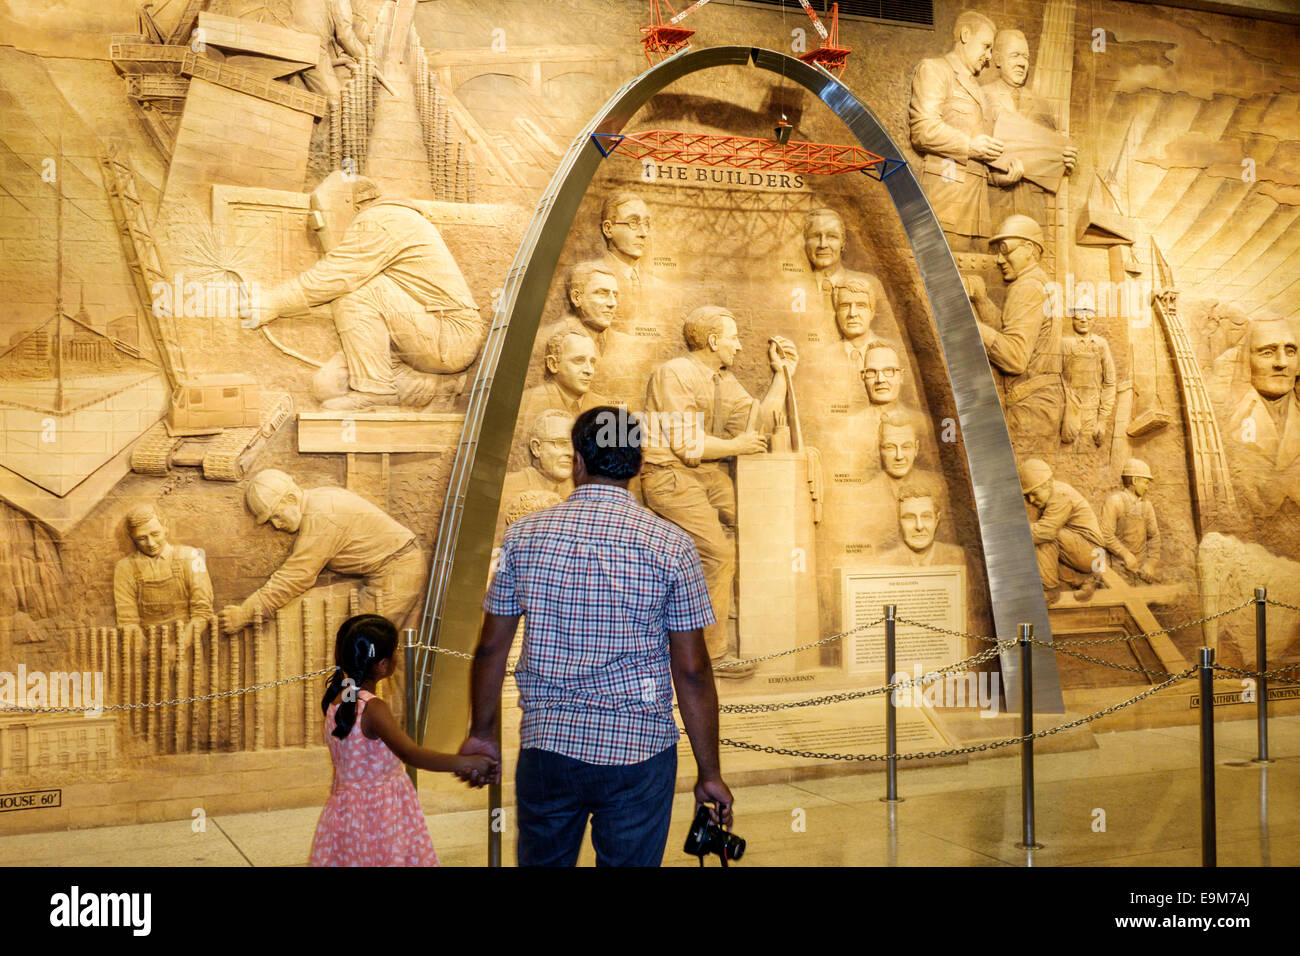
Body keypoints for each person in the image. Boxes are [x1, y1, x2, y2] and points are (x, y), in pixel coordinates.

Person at [461, 406, 735, 867]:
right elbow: (691, 670)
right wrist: (710, 772)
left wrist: (483, 733)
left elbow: (491, 646)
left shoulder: (523, 538)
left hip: (548, 747)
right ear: (639, 465)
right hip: (638, 753)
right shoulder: (672, 546)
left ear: (577, 462)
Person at [641, 306, 797, 674]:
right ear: (713, 341)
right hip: (670, 477)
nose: (739, 347)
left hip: (707, 476)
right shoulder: (674, 374)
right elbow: (688, 447)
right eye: (734, 337)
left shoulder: (722, 380)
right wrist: (737, 446)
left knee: (759, 531)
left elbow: (757, 423)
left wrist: (783, 375)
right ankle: (709, 657)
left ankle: (750, 625)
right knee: (718, 555)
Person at [242, 177, 486, 411]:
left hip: (450, 335)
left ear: (350, 204)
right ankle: (437, 387)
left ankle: (376, 392)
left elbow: (337, 276)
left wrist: (273, 302)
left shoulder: (381, 219)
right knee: (327, 387)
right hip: (423, 335)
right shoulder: (392, 218)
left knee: (354, 292)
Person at [310, 614, 496, 867]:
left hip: (346, 813)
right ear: (383, 665)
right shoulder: (373, 709)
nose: (399, 653)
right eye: (396, 649)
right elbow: (411, 754)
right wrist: (468, 762)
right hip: (381, 815)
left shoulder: (336, 700)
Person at [218, 470, 427, 638]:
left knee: (359, 641)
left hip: (397, 571)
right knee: (392, 651)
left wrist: (245, 614)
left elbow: (295, 577)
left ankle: (362, 692)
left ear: (291, 497)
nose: (276, 525)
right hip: (399, 564)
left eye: (277, 516)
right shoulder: (320, 500)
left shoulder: (322, 516)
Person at [909, 10, 1023, 249]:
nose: (989, 56)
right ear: (965, 35)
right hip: (946, 202)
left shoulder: (979, 92)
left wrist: (1000, 178)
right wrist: (969, 145)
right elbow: (923, 129)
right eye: (986, 46)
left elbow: (980, 156)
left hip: (979, 211)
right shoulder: (935, 69)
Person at [966, 214, 1064, 440]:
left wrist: (968, 324)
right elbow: (1013, 327)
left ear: (1029, 248)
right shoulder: (1040, 281)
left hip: (1029, 408)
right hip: (1039, 401)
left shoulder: (1028, 286)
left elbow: (1015, 358)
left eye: (1006, 250)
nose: (1000, 260)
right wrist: (981, 299)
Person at [983, 29, 1078, 226]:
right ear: (998, 59)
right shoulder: (982, 97)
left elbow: (1050, 157)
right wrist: (999, 179)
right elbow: (968, 156)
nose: (1022, 63)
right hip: (994, 204)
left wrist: (1065, 163)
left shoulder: (1042, 106)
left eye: (1026, 57)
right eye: (1015, 55)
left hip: (1033, 210)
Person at [113, 505, 213, 638]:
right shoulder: (125, 567)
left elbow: (202, 612)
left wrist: (180, 648)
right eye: (141, 538)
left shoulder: (192, 556)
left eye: (155, 534)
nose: (151, 543)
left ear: (165, 527)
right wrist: (147, 653)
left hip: (188, 641)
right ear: (132, 538)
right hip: (146, 646)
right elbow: (128, 621)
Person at [1019, 458, 1104, 601]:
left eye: (1034, 493)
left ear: (1047, 484)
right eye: (1027, 496)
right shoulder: (1052, 494)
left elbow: (1045, 532)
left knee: (1046, 536)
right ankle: (1086, 579)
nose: (1031, 500)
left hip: (1094, 554)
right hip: (1088, 554)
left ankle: (1050, 590)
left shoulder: (1060, 495)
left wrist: (1012, 534)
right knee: (1040, 540)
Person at [1060, 307, 1117, 446]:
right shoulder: (1064, 343)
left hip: (1092, 412)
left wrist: (1102, 419)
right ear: (1073, 319)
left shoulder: (1101, 344)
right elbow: (1055, 378)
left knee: (1089, 454)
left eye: (1088, 315)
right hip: (1067, 410)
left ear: (1094, 319)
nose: (1084, 319)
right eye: (1079, 315)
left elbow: (1109, 382)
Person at [1099, 459, 1161, 583]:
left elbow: (1154, 537)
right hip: (1118, 570)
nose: (1147, 488)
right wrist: (1125, 555)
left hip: (1142, 571)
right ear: (1134, 481)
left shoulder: (1146, 505)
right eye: (1146, 483)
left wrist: (1151, 563)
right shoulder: (1115, 501)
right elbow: (1106, 535)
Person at [878, 481, 965, 567]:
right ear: (899, 521)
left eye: (926, 517)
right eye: (910, 518)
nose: (919, 526)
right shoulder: (884, 562)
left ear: (936, 519)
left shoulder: (960, 557)